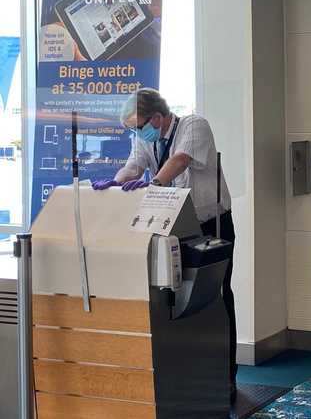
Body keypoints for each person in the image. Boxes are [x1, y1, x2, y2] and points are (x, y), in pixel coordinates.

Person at [92, 88, 238, 406]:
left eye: (139, 126)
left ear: (157, 118)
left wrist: (153, 183)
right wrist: (116, 184)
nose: (137, 132)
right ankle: (192, 373)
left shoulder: (193, 125)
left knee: (216, 296)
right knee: (177, 299)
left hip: (211, 225)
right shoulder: (146, 137)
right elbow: (133, 166)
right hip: (175, 226)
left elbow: (180, 160)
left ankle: (227, 375)